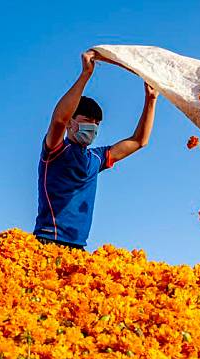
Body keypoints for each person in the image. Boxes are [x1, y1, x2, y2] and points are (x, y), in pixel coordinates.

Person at [34, 50, 158, 251]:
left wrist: (150, 100)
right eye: (87, 121)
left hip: (78, 246)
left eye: (97, 123)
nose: (93, 127)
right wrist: (85, 75)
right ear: (71, 123)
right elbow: (58, 120)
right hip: (49, 240)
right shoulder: (55, 150)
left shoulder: (96, 158)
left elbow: (139, 141)